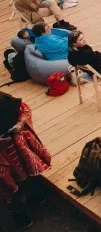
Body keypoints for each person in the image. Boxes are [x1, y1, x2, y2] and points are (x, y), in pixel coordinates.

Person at [0, 92, 52, 229]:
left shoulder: (4, 101)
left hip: (18, 148)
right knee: (10, 187)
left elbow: (24, 108)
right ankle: (18, 213)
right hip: (3, 158)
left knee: (28, 173)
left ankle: (31, 194)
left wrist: (21, 123)